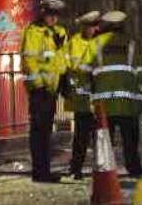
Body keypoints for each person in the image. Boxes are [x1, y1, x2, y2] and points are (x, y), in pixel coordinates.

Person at [92, 10, 142, 177]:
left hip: (104, 104)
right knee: (130, 141)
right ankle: (134, 169)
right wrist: (141, 94)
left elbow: (87, 70)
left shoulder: (96, 44)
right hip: (127, 103)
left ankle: (105, 170)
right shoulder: (132, 44)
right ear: (122, 26)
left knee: (104, 140)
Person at [21, 0, 68, 183]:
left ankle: (44, 170)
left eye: (56, 15)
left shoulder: (60, 32)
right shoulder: (33, 31)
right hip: (40, 90)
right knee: (39, 131)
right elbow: (29, 61)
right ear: (43, 14)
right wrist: (40, 84)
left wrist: (63, 79)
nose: (54, 19)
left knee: (46, 132)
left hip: (52, 89)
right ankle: (39, 172)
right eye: (50, 15)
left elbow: (61, 58)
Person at [61, 10, 100, 180]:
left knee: (100, 137)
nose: (94, 29)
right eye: (91, 26)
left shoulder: (99, 42)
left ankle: (101, 169)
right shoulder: (74, 43)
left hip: (98, 98)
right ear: (84, 27)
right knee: (81, 137)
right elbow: (67, 67)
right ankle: (75, 168)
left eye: (95, 26)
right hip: (83, 99)